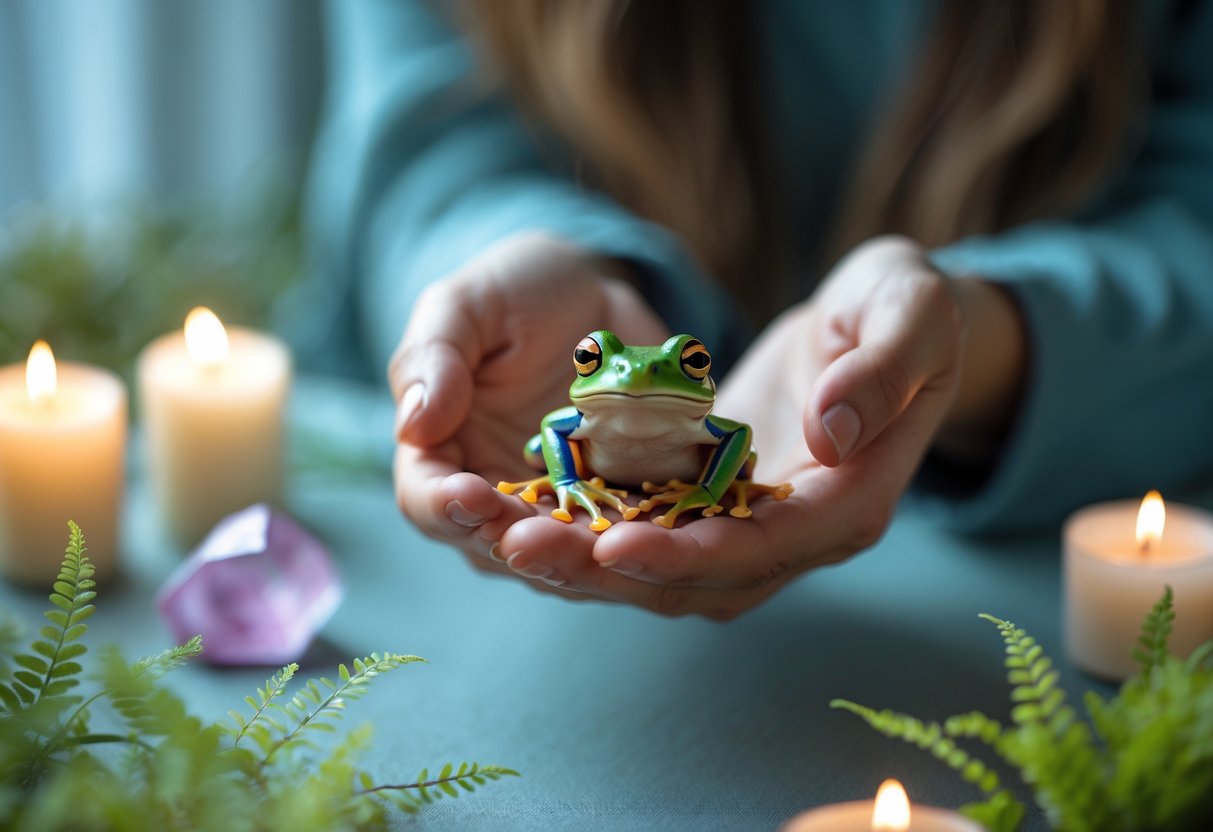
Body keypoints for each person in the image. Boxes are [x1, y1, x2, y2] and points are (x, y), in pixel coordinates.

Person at [307, 0, 1213, 618]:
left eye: (693, 375)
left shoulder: (712, 434)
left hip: (1004, 546)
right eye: (592, 366)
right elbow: (428, 134)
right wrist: (497, 260)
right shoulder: (570, 425)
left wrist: (979, 334)